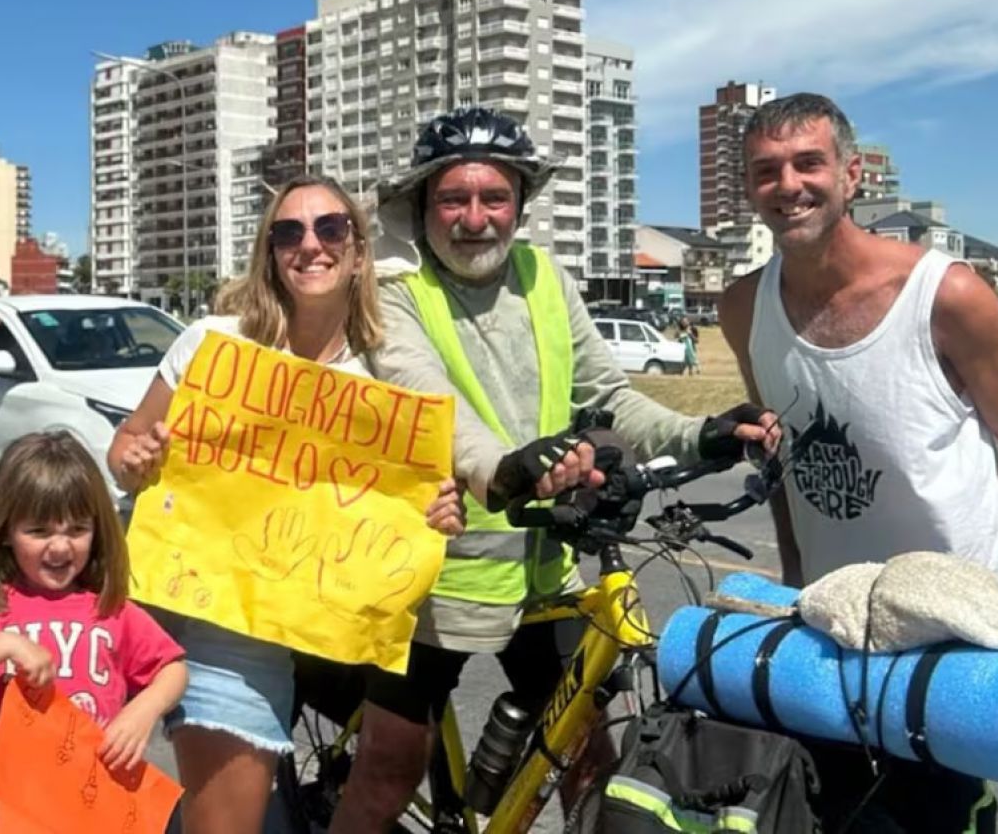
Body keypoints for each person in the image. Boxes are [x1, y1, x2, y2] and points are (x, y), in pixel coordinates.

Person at [331, 107, 779, 832]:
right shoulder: (395, 292)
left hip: (546, 562)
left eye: (494, 198)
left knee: (588, 760)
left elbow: (608, 394)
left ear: (519, 204)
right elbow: (430, 404)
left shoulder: (544, 276)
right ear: (422, 205)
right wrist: (502, 468)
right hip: (434, 574)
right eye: (454, 199)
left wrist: (703, 435)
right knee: (389, 769)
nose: (475, 219)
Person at [107, 174, 561, 834]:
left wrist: (436, 516)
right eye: (288, 232)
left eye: (331, 229)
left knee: (387, 762)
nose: (310, 245)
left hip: (338, 628)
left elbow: (422, 497)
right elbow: (124, 448)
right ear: (269, 251)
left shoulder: (387, 368)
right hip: (230, 623)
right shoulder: (213, 345)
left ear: (357, 251)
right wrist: (137, 459)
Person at [718, 92, 998, 833]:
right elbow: (781, 447)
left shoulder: (947, 295)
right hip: (836, 620)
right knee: (825, 811)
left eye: (809, 163)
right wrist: (794, 579)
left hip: (955, 625)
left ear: (852, 175)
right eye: (766, 171)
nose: (788, 186)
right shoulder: (742, 306)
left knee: (937, 817)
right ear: (747, 189)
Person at [0, 432, 188, 834]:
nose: (60, 547)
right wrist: (4, 643)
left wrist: (143, 710)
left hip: (97, 806)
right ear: (5, 530)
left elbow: (172, 667)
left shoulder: (111, 609)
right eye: (39, 531)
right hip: (9, 809)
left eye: (76, 529)